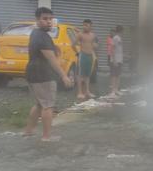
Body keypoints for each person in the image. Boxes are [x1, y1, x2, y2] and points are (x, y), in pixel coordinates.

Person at [23, 7, 73, 142]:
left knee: (39, 104)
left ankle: (29, 131)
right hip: (43, 75)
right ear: (38, 20)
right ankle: (46, 136)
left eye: (50, 19)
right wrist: (64, 75)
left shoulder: (35, 33)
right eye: (45, 19)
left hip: (32, 73)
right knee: (48, 106)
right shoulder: (42, 37)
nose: (49, 21)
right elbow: (51, 59)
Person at [76, 19, 98, 100]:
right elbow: (73, 44)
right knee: (80, 75)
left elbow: (95, 45)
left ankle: (87, 92)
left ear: (91, 26)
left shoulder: (93, 35)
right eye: (83, 25)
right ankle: (80, 92)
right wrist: (77, 53)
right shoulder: (80, 34)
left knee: (87, 75)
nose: (84, 27)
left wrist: (95, 45)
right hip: (83, 55)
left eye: (86, 25)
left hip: (90, 56)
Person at [109, 25, 123, 97]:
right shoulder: (115, 38)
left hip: (119, 59)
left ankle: (116, 90)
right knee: (114, 75)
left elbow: (119, 49)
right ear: (120, 31)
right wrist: (114, 60)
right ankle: (112, 91)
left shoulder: (119, 38)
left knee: (118, 75)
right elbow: (113, 49)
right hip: (115, 60)